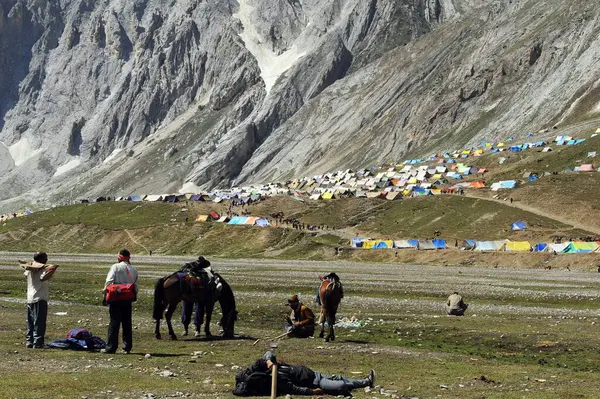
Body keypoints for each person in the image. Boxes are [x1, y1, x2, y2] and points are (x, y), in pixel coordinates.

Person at [232, 351, 375, 396]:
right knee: (339, 385)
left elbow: (268, 353)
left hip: (311, 373)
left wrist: (269, 362)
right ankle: (364, 383)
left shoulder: (266, 367)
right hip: (314, 382)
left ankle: (366, 381)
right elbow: (294, 389)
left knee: (338, 377)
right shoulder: (277, 380)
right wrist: (312, 391)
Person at [101, 249, 138, 354]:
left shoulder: (115, 267)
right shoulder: (133, 269)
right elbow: (135, 285)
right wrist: (134, 296)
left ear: (119, 257)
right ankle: (127, 347)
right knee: (127, 322)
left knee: (114, 322)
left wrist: (105, 294)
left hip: (116, 298)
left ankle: (111, 347)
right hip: (127, 299)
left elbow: (109, 281)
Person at [21, 252, 56, 348]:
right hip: (39, 297)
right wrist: (52, 270)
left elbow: (26, 274)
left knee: (31, 321)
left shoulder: (29, 270)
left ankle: (30, 341)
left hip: (30, 298)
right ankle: (38, 343)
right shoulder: (40, 270)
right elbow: (43, 278)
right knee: (39, 321)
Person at [179, 256, 222, 334]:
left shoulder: (189, 270)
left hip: (189, 292)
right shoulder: (208, 272)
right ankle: (196, 330)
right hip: (201, 293)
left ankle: (186, 330)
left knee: (187, 308)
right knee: (198, 308)